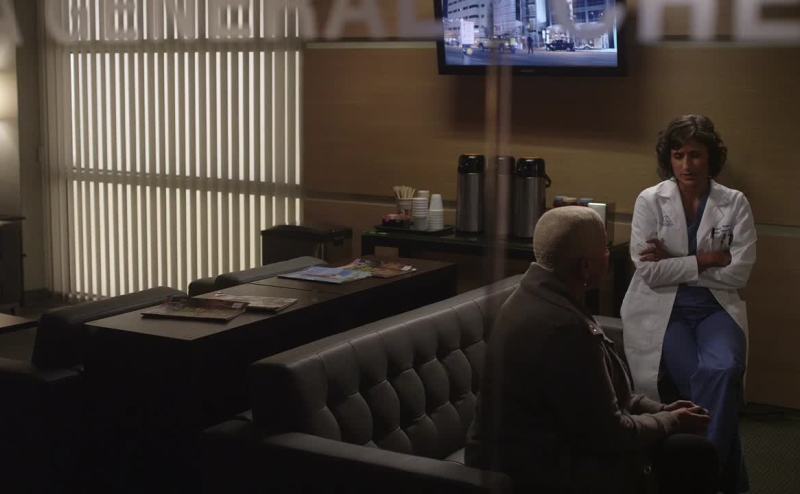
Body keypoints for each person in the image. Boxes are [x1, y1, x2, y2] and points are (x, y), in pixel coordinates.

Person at [466, 206, 717, 493]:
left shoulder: (537, 295)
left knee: (687, 449)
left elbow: (602, 397)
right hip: (536, 471)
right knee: (692, 454)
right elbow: (612, 433)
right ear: (585, 267)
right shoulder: (564, 329)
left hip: (555, 443)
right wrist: (671, 421)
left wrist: (660, 410)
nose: (609, 255)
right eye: (605, 248)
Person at [621, 114, 757, 494]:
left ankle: (698, 477)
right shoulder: (650, 200)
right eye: (678, 155)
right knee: (701, 379)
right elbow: (649, 273)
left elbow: (739, 273)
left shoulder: (734, 203)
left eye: (695, 154)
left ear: (711, 157)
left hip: (716, 307)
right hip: (665, 310)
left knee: (724, 370)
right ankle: (721, 480)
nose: (686, 164)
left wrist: (676, 263)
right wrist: (707, 260)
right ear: (669, 158)